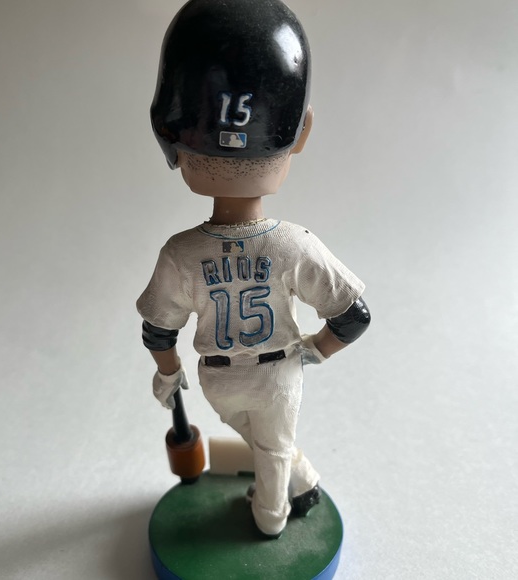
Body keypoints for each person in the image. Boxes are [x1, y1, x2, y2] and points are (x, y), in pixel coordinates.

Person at [137, 0, 370, 539]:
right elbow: (354, 316)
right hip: (275, 375)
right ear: (301, 133)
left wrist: (167, 373)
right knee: (272, 446)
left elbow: (158, 331)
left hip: (217, 380)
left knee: (270, 446)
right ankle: (272, 519)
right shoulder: (293, 244)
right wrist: (315, 350)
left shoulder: (179, 251)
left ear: (170, 138)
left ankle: (294, 493)